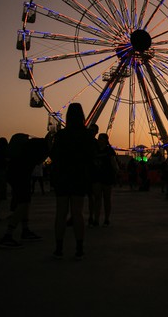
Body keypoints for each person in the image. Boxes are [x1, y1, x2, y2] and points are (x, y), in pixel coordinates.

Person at [50, 103, 96, 259]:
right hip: (79, 177)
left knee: (61, 213)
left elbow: (54, 156)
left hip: (63, 177)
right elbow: (91, 158)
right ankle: (79, 248)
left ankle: (59, 248)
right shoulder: (87, 136)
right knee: (78, 213)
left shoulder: (61, 135)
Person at [0, 133, 48, 249]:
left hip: (17, 177)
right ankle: (8, 235)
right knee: (23, 204)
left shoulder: (16, 157)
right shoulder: (26, 155)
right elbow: (39, 159)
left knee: (25, 203)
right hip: (21, 178)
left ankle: (25, 229)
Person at [92, 133, 119, 227]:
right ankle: (96, 219)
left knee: (106, 198)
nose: (99, 140)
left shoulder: (109, 151)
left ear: (105, 140)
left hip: (107, 176)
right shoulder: (95, 150)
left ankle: (106, 219)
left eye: (101, 139)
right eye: (99, 138)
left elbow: (113, 162)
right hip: (97, 176)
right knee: (97, 198)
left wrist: (116, 172)